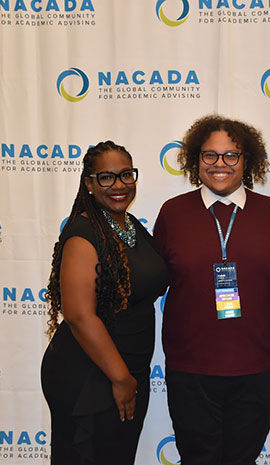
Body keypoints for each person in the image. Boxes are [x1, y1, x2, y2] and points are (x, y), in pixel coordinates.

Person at [153, 115, 270, 465]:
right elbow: (150, 283)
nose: (220, 164)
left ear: (247, 161)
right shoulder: (173, 214)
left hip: (256, 371)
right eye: (209, 155)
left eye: (231, 155)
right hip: (191, 372)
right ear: (195, 159)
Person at [41, 141, 168, 465]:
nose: (119, 185)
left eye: (126, 175)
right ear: (89, 183)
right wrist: (121, 378)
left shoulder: (131, 225)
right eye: (107, 177)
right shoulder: (84, 233)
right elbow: (79, 316)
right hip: (91, 373)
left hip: (127, 368)